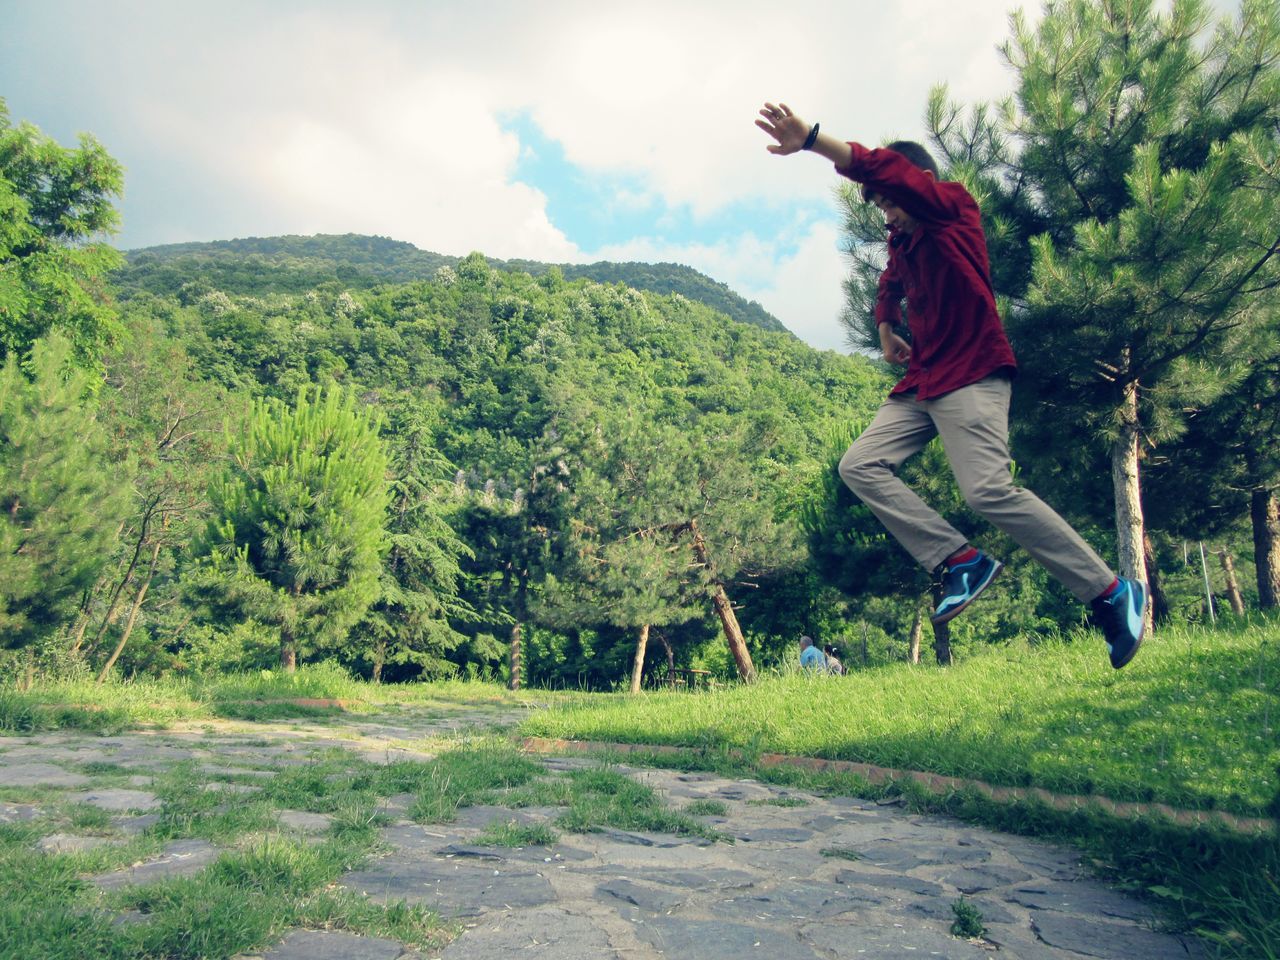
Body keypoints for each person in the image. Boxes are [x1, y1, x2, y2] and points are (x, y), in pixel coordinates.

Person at [755, 101, 1147, 670]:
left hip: (972, 370)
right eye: (882, 208)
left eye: (891, 204)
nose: (887, 215)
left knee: (987, 490)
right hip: (925, 379)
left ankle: (1111, 593)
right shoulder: (906, 241)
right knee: (858, 464)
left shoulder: (952, 208)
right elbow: (889, 282)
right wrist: (887, 327)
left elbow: (886, 172)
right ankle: (958, 560)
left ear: (920, 187)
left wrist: (815, 140)